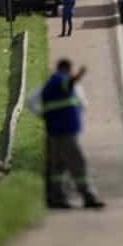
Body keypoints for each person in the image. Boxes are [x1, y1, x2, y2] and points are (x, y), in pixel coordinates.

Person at [36, 59, 104, 209]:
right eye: (70, 71)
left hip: (56, 133)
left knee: (58, 168)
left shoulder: (51, 85)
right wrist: (79, 75)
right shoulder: (60, 80)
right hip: (64, 133)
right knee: (78, 164)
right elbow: (69, 83)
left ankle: (56, 198)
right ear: (65, 69)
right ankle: (88, 197)